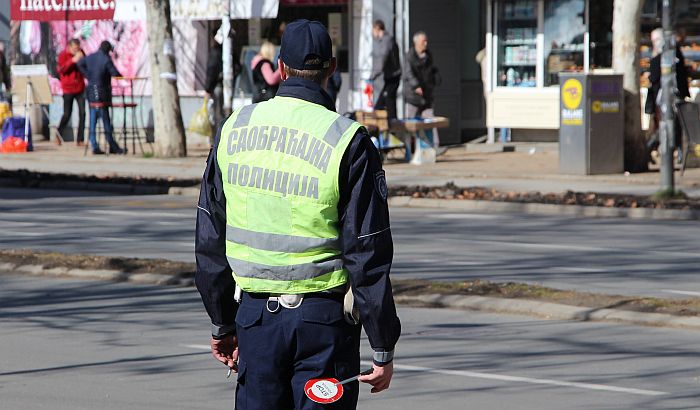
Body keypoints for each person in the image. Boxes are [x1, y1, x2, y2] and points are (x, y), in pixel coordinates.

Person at [195, 19, 401, 410]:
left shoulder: (234, 129)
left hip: (255, 320)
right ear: (332, 68)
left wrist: (222, 321)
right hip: (324, 326)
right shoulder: (348, 141)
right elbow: (368, 252)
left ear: (282, 69)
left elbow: (209, 238)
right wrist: (382, 343)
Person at [646, 28, 690, 162]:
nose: (654, 43)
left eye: (655, 40)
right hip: (667, 98)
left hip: (665, 98)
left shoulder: (663, 57)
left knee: (669, 125)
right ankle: (675, 151)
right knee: (670, 125)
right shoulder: (674, 55)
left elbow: (654, 78)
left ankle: (650, 147)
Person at [77, 40, 124, 155]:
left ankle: (94, 144)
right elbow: (114, 73)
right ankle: (112, 145)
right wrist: (120, 76)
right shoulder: (106, 59)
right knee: (105, 120)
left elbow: (79, 63)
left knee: (93, 120)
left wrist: (88, 75)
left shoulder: (90, 57)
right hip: (102, 92)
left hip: (91, 91)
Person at [404, 31, 442, 146]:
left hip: (427, 95)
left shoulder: (428, 55)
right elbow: (408, 73)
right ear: (416, 43)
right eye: (423, 42)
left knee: (430, 121)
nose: (425, 44)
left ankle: (434, 146)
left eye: (426, 41)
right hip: (413, 96)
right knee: (411, 123)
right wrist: (416, 86)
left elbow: (430, 71)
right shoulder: (409, 56)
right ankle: (409, 147)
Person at [56, 39, 86, 146]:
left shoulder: (81, 53)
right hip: (68, 88)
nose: (76, 50)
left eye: (77, 48)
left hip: (80, 88)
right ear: (69, 47)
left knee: (82, 113)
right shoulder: (63, 55)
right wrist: (72, 61)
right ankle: (58, 134)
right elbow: (61, 70)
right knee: (67, 113)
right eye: (74, 48)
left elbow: (85, 67)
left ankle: (80, 139)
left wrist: (82, 59)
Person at [370, 20, 401, 120]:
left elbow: (382, 59)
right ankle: (389, 127)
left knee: (387, 101)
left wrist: (372, 76)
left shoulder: (386, 41)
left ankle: (393, 128)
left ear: (377, 28)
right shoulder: (385, 40)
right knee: (384, 102)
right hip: (389, 77)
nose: (372, 33)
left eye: (373, 30)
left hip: (393, 77)